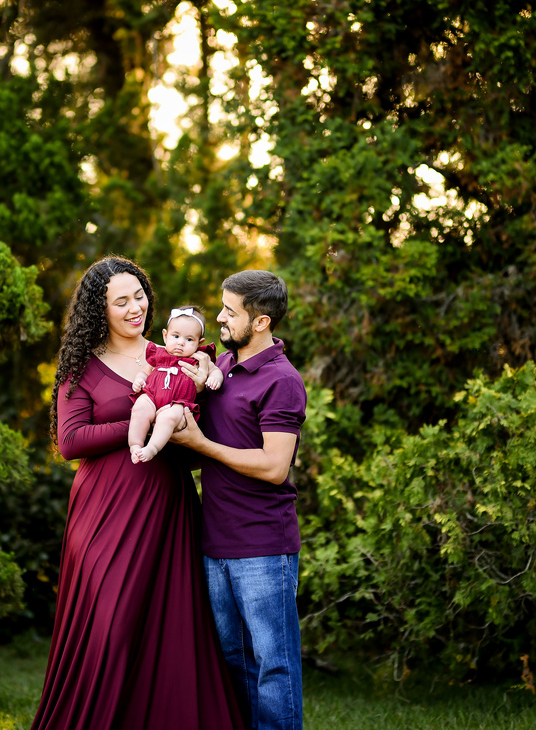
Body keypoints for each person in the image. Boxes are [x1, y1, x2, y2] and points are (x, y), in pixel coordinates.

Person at [30, 256, 243, 730]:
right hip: (104, 513)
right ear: (98, 310)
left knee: (172, 632)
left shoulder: (175, 354)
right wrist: (141, 418)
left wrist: (188, 413)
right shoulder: (81, 366)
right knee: (110, 627)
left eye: (140, 296)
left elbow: (195, 443)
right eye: (120, 301)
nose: (134, 308)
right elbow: (70, 441)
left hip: (168, 509)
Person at [171, 270, 308, 730]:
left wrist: (201, 445)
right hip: (216, 544)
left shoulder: (282, 380)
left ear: (261, 321)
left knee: (274, 666)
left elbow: (274, 466)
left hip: (263, 546)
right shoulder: (222, 366)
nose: (219, 318)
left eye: (230, 312)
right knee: (234, 662)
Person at [128, 306, 223, 463]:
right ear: (165, 336)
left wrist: (215, 378)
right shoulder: (159, 354)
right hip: (152, 395)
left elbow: (215, 371)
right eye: (176, 336)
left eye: (189, 339)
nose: (180, 343)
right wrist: (139, 380)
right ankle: (135, 445)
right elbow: (144, 371)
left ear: (199, 342)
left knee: (169, 418)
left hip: (178, 403)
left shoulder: (197, 358)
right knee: (139, 408)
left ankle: (152, 447)